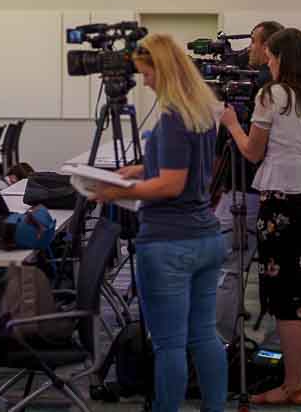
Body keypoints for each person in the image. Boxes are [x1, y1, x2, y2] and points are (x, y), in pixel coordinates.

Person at [92, 34, 227, 412]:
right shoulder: (201, 112)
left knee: (169, 343)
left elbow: (171, 183)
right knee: (203, 336)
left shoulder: (170, 119)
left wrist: (117, 191)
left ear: (162, 70)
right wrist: (138, 169)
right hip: (206, 238)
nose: (145, 81)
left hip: (169, 244)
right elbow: (184, 166)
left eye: (147, 73)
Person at [219, 27, 301, 405]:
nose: (269, 64)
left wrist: (230, 125)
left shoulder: (271, 95)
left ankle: (291, 386)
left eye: (272, 58)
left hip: (279, 201)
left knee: (285, 297)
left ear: (282, 59)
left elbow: (253, 152)